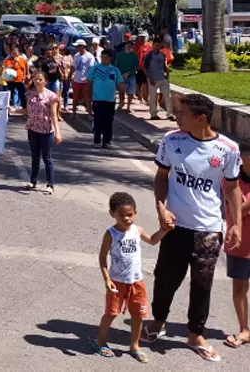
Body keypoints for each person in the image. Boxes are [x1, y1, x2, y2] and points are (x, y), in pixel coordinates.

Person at [143, 93, 244, 363]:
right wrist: (161, 207)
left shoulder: (228, 149)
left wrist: (237, 225)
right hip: (176, 227)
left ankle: (195, 334)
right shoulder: (171, 140)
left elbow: (233, 189)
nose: (177, 117)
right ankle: (158, 321)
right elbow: (161, 176)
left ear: (200, 118)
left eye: (182, 113)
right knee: (165, 277)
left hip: (209, 228)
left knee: (202, 284)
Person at [93, 192, 170, 362]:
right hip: (117, 281)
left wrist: (164, 230)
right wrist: (106, 279)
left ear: (135, 213)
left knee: (138, 315)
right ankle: (100, 341)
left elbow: (152, 240)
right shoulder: (111, 234)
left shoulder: (137, 230)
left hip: (136, 281)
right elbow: (102, 257)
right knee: (111, 313)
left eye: (130, 214)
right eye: (122, 215)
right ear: (112, 213)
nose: (127, 218)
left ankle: (134, 345)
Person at [223, 150, 250, 349]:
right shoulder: (231, 180)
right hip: (241, 243)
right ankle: (244, 329)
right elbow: (235, 209)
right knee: (240, 288)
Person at [24, 71, 62, 194]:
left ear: (45, 81)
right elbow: (27, 111)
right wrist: (13, 109)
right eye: (35, 79)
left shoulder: (51, 96)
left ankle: (50, 184)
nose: (37, 81)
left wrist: (58, 133)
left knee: (47, 157)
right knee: (35, 156)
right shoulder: (30, 94)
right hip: (33, 128)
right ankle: (33, 181)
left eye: (40, 79)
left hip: (46, 130)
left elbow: (54, 115)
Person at [87, 50, 125, 149]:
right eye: (102, 57)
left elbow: (120, 84)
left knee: (108, 121)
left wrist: (122, 98)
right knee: (98, 120)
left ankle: (107, 140)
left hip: (110, 100)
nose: (103, 59)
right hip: (97, 99)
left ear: (110, 58)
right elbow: (89, 83)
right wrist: (88, 97)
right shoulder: (95, 69)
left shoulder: (115, 70)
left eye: (106, 57)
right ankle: (97, 139)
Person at [143, 40, 173, 121]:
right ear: (153, 46)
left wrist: (167, 75)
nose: (157, 47)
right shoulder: (148, 56)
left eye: (158, 46)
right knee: (153, 97)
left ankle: (170, 113)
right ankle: (153, 114)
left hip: (162, 78)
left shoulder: (162, 55)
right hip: (153, 79)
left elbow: (164, 65)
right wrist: (150, 78)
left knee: (168, 96)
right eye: (155, 45)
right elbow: (145, 68)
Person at [71, 39, 95, 116]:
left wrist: (87, 77)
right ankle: (74, 112)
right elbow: (73, 66)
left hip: (86, 81)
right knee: (75, 98)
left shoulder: (89, 56)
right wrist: (70, 75)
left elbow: (91, 68)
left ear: (82, 46)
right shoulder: (76, 55)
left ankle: (89, 113)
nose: (76, 48)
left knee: (87, 98)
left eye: (78, 46)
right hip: (76, 80)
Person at [115, 38, 139, 112]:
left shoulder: (134, 56)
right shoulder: (119, 55)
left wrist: (129, 73)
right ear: (124, 47)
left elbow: (136, 67)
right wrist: (120, 74)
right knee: (121, 91)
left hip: (130, 75)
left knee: (131, 91)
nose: (129, 47)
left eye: (130, 46)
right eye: (127, 45)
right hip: (121, 75)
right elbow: (116, 66)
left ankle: (128, 106)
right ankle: (121, 103)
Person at [134, 32, 152, 105]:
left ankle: (146, 98)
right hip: (138, 67)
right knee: (138, 84)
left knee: (146, 83)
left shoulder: (149, 46)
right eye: (141, 37)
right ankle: (140, 98)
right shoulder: (136, 46)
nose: (142, 38)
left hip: (146, 68)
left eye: (144, 37)